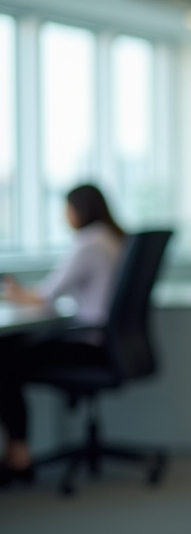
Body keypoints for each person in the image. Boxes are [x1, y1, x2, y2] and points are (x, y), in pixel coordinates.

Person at [0, 184, 125, 486]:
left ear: (79, 210)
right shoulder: (112, 240)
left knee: (4, 359)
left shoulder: (89, 243)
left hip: (90, 344)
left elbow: (45, 295)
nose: (64, 217)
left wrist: (11, 292)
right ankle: (18, 454)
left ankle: (19, 455)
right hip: (110, 343)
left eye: (66, 209)